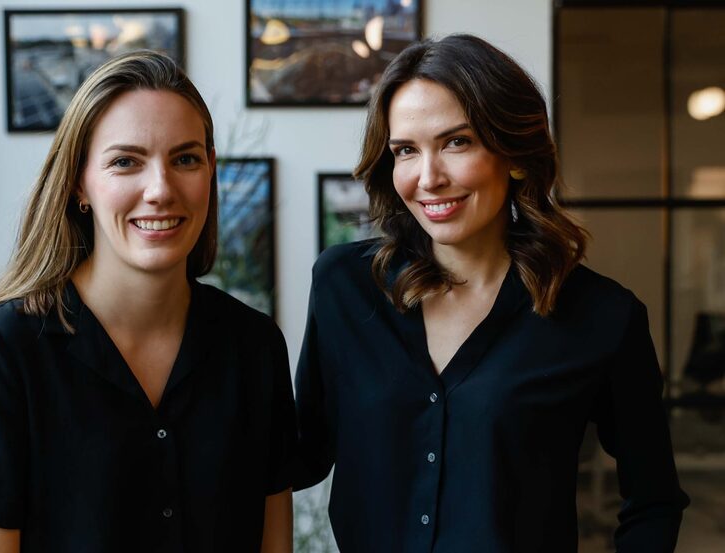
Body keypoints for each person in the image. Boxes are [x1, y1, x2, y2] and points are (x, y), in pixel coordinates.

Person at [294, 34, 689, 552]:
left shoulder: (603, 317)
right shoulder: (343, 286)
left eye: (457, 142)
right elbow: (299, 457)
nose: (428, 178)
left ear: (516, 155)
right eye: (406, 151)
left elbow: (654, 500)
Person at [0, 51, 295, 553]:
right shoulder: (4, 350)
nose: (160, 189)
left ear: (210, 171)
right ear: (80, 184)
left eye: (185, 158)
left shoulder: (254, 346)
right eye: (126, 162)